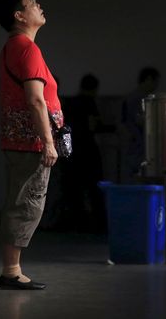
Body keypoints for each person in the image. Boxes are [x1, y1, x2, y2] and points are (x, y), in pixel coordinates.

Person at [0, 0, 61, 291]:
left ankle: (12, 269)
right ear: (19, 16)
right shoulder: (27, 49)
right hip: (30, 142)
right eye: (32, 4)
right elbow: (35, 100)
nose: (39, 6)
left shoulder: (12, 47)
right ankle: (11, 271)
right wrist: (48, 141)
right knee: (27, 204)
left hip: (17, 139)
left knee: (21, 201)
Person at [62, 74, 108, 232]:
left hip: (71, 150)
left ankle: (76, 223)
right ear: (94, 89)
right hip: (88, 149)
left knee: (74, 189)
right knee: (94, 188)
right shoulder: (90, 103)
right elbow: (94, 125)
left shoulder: (70, 102)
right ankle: (98, 224)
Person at [120, 67, 160, 182]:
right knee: (137, 179)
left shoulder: (133, 97)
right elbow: (140, 120)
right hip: (137, 146)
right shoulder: (139, 99)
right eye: (155, 82)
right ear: (148, 79)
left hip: (135, 146)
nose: (156, 86)